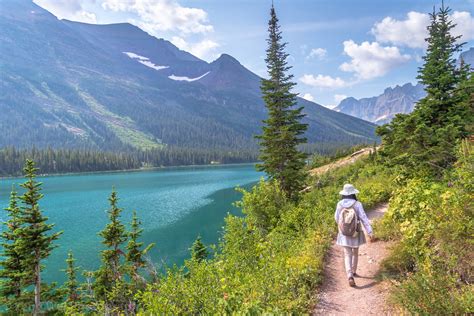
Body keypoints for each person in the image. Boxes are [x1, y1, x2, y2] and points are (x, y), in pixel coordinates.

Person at [334, 183, 373, 287]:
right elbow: (363, 218)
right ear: (353, 193)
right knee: (355, 252)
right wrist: (369, 231)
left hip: (344, 234)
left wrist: (342, 227)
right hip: (355, 232)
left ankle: (349, 275)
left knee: (347, 254)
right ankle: (354, 271)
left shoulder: (339, 204)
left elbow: (336, 218)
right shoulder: (357, 204)